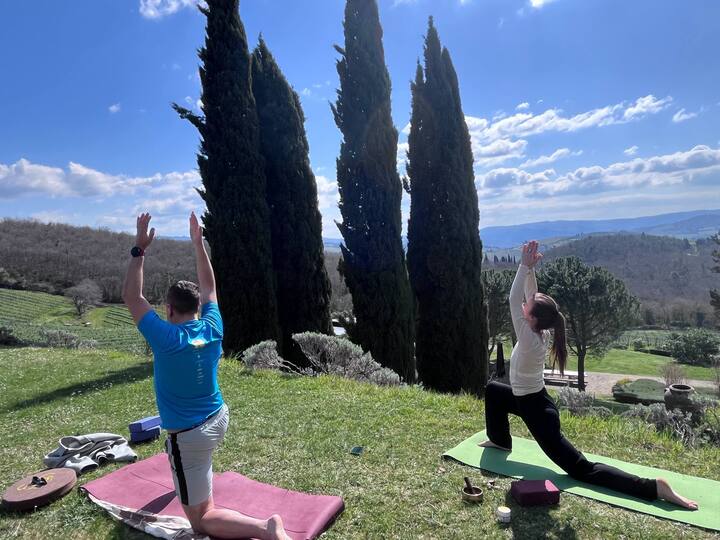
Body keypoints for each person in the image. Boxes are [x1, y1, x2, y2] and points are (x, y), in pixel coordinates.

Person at [480, 240, 698, 510]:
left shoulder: (528, 338)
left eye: (529, 306)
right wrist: (530, 269)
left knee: (582, 469)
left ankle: (652, 487)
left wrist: (523, 266)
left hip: (536, 412)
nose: (525, 304)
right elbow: (530, 295)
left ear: (532, 318)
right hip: (531, 398)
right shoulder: (540, 329)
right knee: (494, 391)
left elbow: (514, 299)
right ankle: (500, 440)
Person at [122, 212, 291, 539]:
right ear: (198, 308)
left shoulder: (167, 338)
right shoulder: (213, 327)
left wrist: (139, 249)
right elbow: (209, 286)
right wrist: (198, 244)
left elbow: (132, 296)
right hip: (217, 418)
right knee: (196, 465)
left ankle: (266, 528)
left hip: (189, 437)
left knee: (201, 520)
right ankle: (191, 478)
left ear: (169, 309)